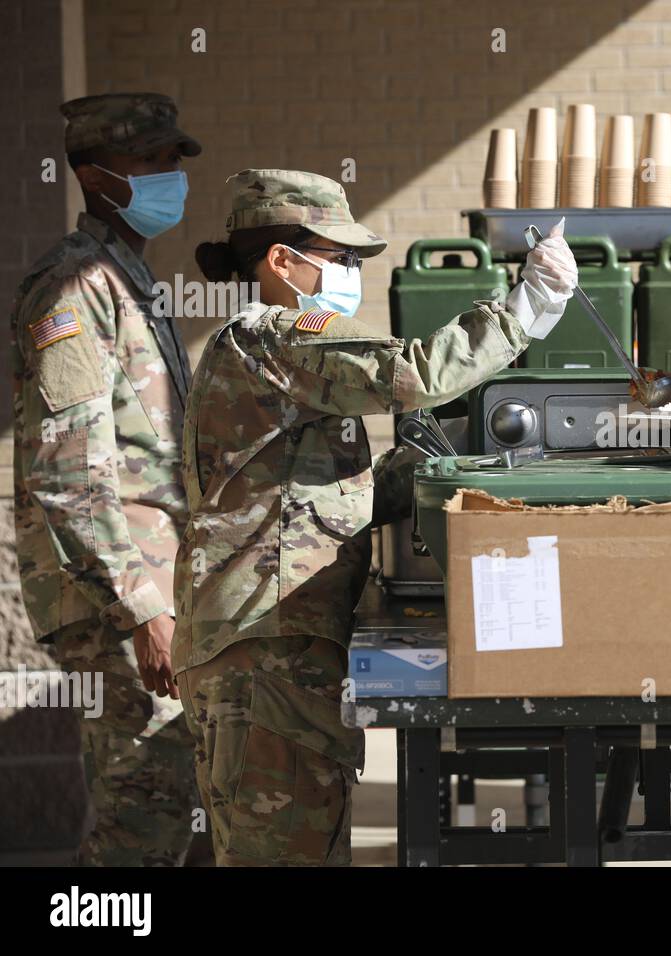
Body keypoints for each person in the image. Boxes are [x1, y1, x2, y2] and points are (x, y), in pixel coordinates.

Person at [173, 169, 576, 865]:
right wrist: (523, 307)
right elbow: (416, 373)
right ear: (280, 261)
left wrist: (438, 473)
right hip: (264, 651)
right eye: (341, 259)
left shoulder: (269, 356)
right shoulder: (280, 334)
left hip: (272, 646)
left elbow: (319, 494)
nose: (352, 274)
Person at [10, 92, 201, 866]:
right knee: (143, 820)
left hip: (152, 585)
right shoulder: (72, 288)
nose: (169, 177)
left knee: (165, 804)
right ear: (95, 177)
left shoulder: (130, 283)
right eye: (150, 163)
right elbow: (68, 473)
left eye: (173, 162)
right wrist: (140, 609)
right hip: (116, 598)